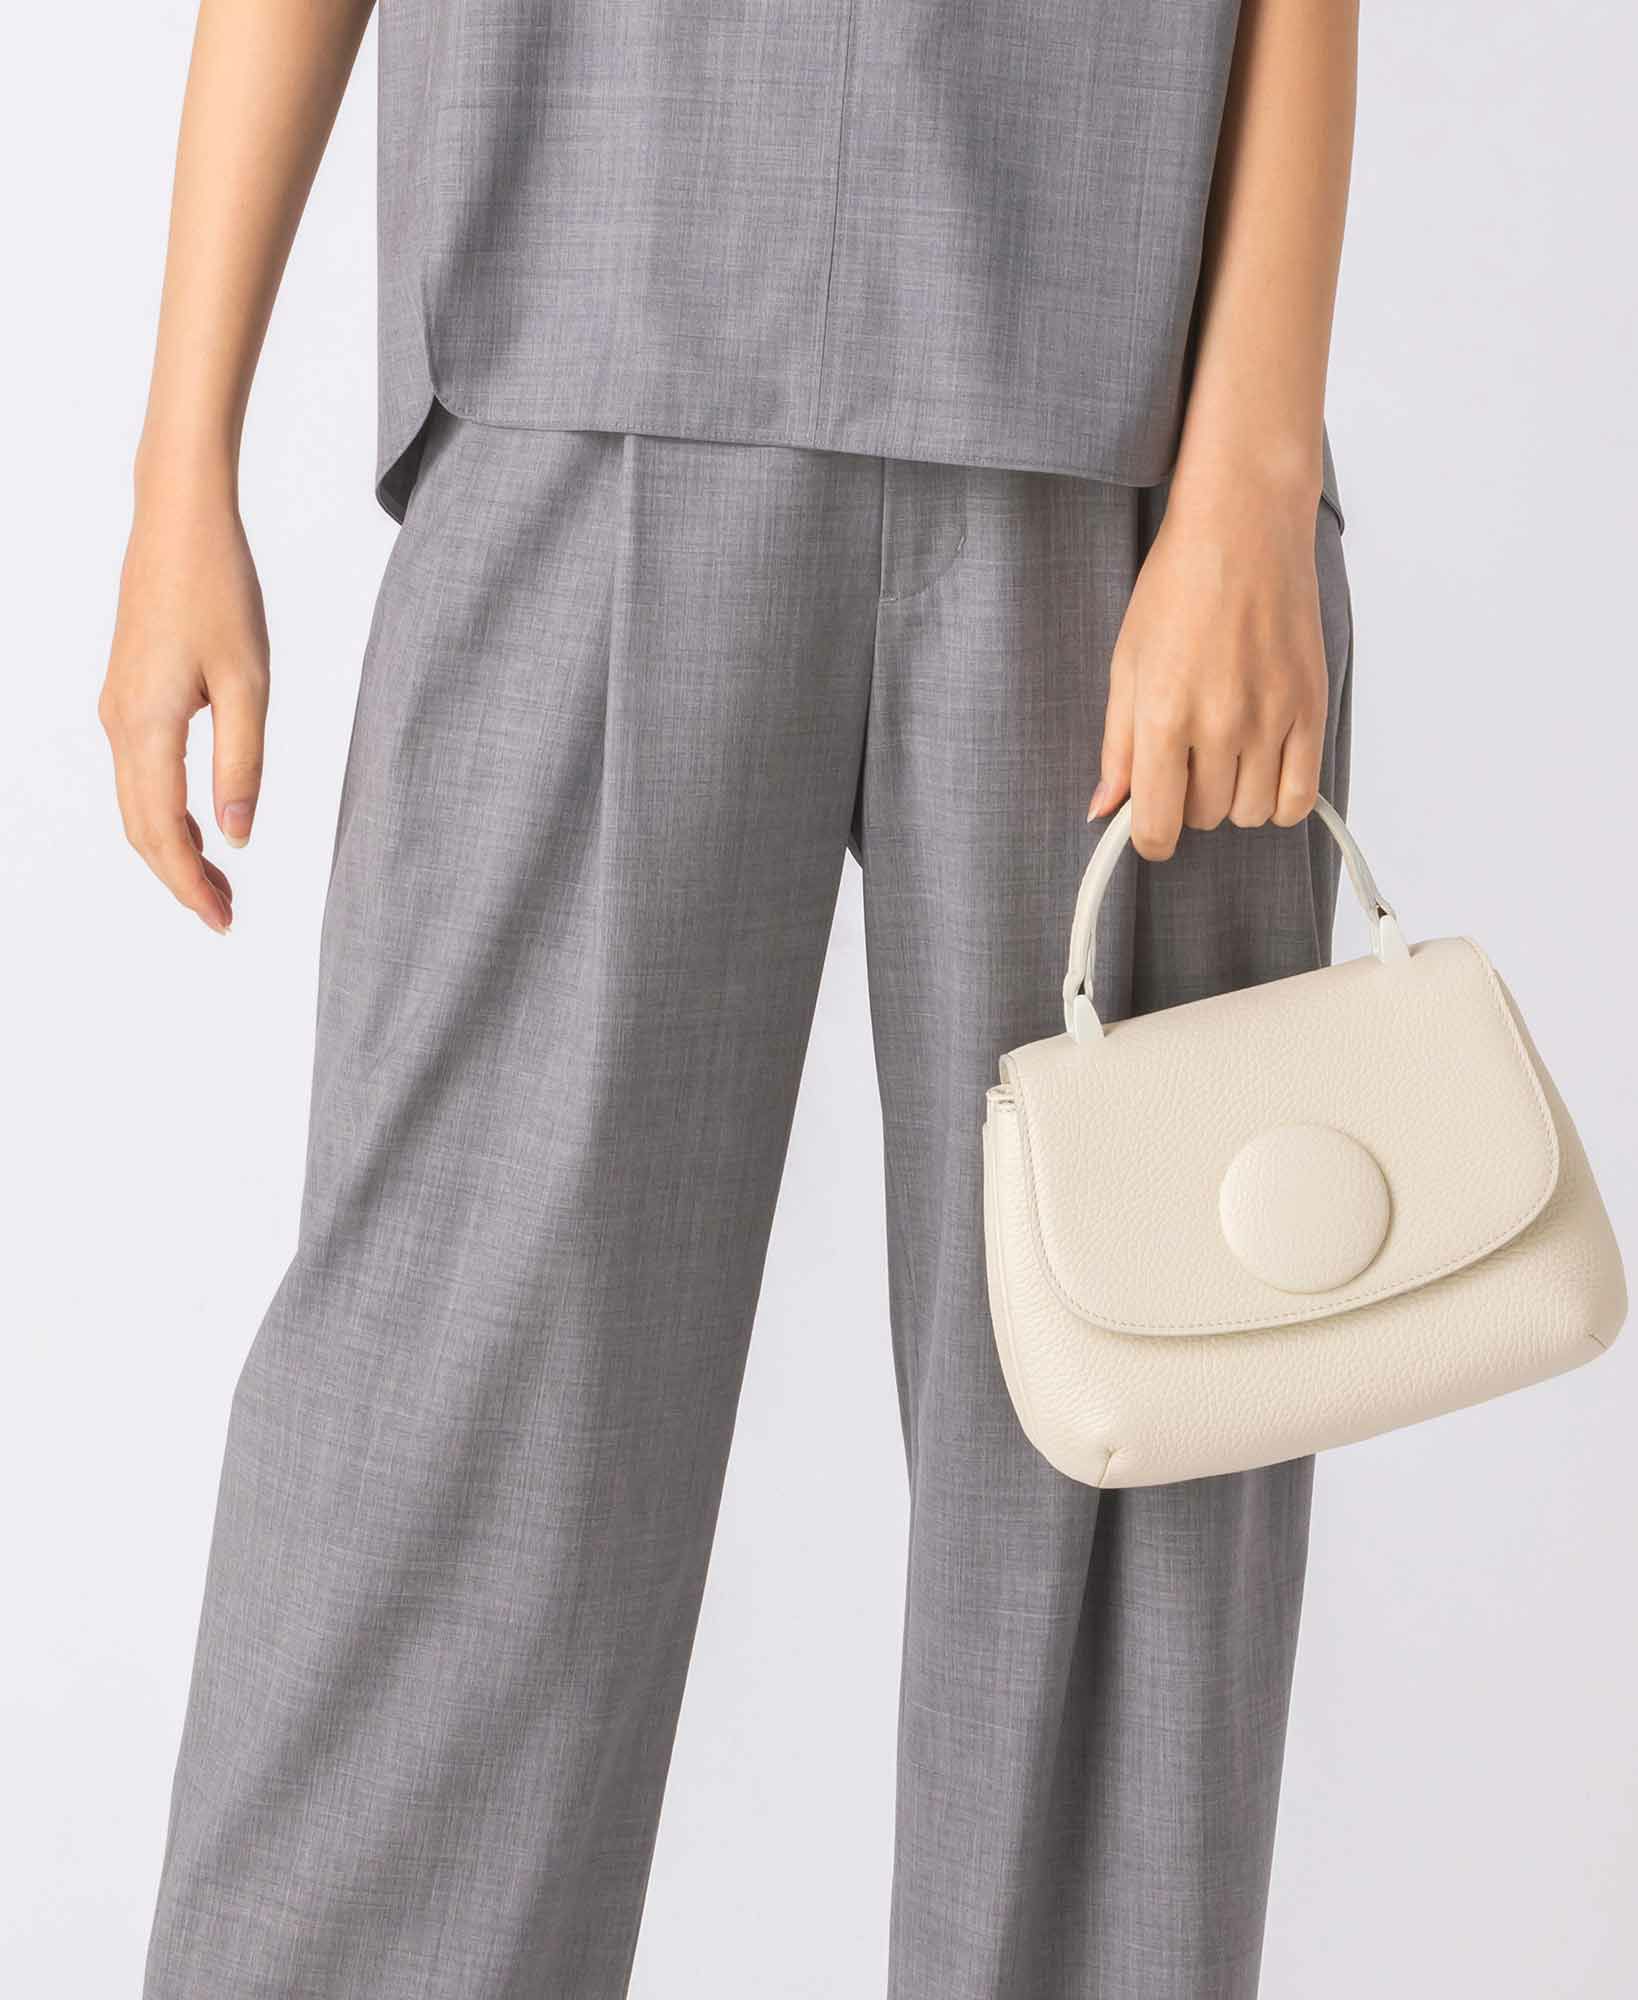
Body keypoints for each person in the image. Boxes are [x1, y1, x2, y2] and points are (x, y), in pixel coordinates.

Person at [101, 2, 1361, 1994]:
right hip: (578, 346)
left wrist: (1255, 477)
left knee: (1134, 1491)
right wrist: (183, 462)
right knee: (436, 1463)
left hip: (1121, 435)